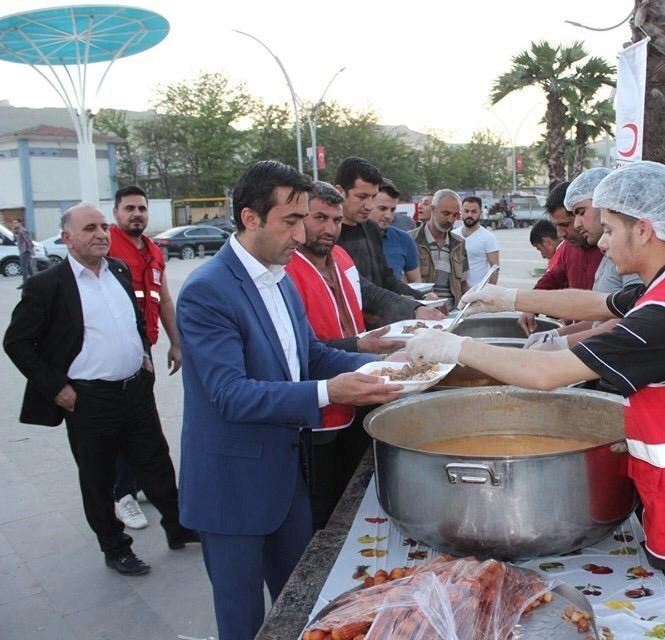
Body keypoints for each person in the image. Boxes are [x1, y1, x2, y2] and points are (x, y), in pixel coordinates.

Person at [405, 161, 665, 640]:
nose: (601, 240)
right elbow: (595, 304)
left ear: (644, 229)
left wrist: (455, 348)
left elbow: (545, 374)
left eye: (610, 229)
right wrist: (512, 298)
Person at [176, 160, 402, 640]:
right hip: (231, 489)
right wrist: (328, 393)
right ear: (250, 218)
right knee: (242, 623)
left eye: (305, 220)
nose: (301, 236)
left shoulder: (280, 277)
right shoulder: (206, 291)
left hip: (287, 480)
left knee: (298, 607)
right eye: (291, 221)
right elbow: (228, 395)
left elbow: (310, 355)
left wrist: (389, 369)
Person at [4, 203, 199, 578]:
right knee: (98, 477)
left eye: (103, 228)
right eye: (89, 228)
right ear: (67, 238)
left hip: (134, 391)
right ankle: (114, 547)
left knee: (156, 462)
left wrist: (143, 353)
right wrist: (56, 387)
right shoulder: (47, 286)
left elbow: (137, 319)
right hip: (88, 399)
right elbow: (16, 343)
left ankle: (178, 527)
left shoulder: (119, 271)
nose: (100, 234)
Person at [285, 180, 442, 528]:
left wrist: (414, 310)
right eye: (319, 218)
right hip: (319, 411)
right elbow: (303, 354)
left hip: (361, 391)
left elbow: (370, 293)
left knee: (357, 490)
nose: (330, 229)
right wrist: (362, 347)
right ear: (298, 219)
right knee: (322, 504)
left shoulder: (340, 256)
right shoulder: (286, 270)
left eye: (336, 220)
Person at [108, 185, 181, 531]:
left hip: (145, 349)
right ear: (116, 214)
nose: (136, 214)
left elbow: (163, 300)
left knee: (140, 425)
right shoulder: (106, 246)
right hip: (116, 352)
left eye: (142, 209)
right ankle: (122, 495)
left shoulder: (153, 250)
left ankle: (140, 485)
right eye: (129, 209)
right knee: (123, 426)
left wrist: (176, 343)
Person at [333, 157, 425, 318]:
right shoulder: (329, 235)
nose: (368, 205)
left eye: (373, 197)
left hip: (379, 326)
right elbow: (359, 287)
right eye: (362, 197)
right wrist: (411, 307)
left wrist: (421, 298)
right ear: (340, 191)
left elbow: (386, 278)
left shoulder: (371, 228)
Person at [517, 180, 602, 334]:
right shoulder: (569, 248)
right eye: (557, 225)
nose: (560, 234)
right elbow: (553, 278)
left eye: (565, 225)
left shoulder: (613, 251)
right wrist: (530, 306)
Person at [410, 189, 469, 307]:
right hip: (421, 315)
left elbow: (463, 284)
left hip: (452, 314)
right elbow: (402, 284)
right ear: (433, 209)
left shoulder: (459, 244)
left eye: (455, 215)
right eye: (446, 213)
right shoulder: (410, 240)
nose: (451, 220)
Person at [370, 178, 421, 282]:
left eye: (392, 210)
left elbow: (416, 284)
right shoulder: (349, 238)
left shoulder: (404, 239)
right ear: (368, 205)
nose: (388, 216)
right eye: (382, 209)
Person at [454, 196, 499, 287]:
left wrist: (488, 291)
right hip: (455, 291)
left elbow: (495, 269)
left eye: (474, 211)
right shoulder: (453, 235)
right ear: (461, 212)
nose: (469, 215)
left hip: (477, 294)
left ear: (481, 213)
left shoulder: (488, 238)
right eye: (466, 211)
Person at [12, 218, 35, 288]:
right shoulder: (18, 231)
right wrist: (14, 232)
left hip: (25, 251)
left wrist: (31, 250)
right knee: (29, 268)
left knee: (24, 268)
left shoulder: (23, 231)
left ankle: (25, 284)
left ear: (20, 223)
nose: (14, 224)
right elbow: (15, 240)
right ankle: (35, 281)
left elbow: (28, 241)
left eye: (16, 223)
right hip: (23, 251)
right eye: (13, 223)